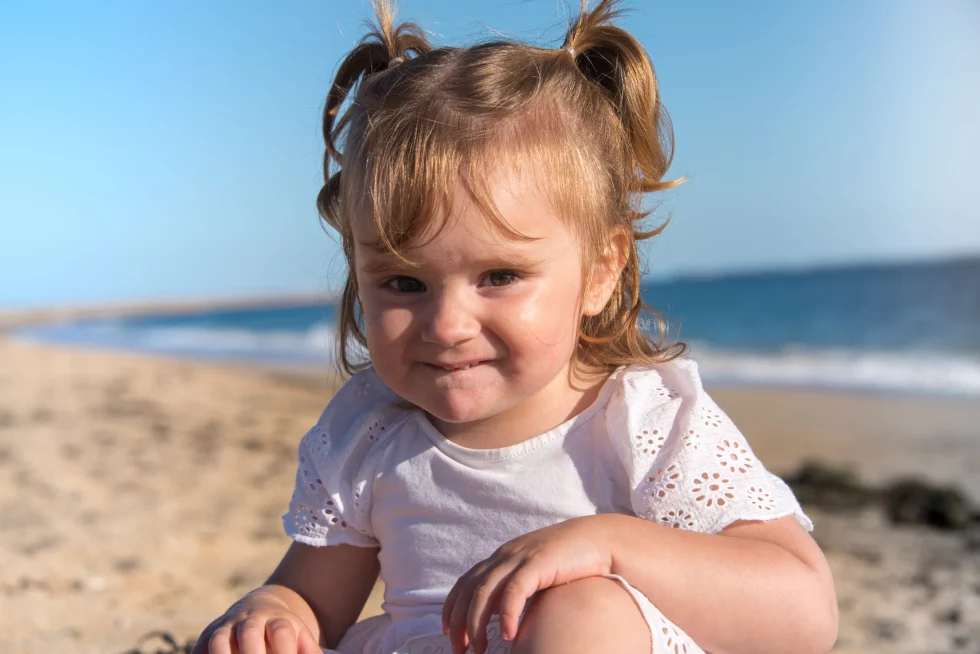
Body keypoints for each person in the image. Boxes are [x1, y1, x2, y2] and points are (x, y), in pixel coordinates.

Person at [192, 1, 838, 653]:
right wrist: (273, 614)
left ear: (599, 272)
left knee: (585, 614)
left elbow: (804, 613)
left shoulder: (641, 422)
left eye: (499, 276)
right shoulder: (369, 434)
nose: (446, 325)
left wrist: (611, 547)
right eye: (403, 283)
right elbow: (311, 598)